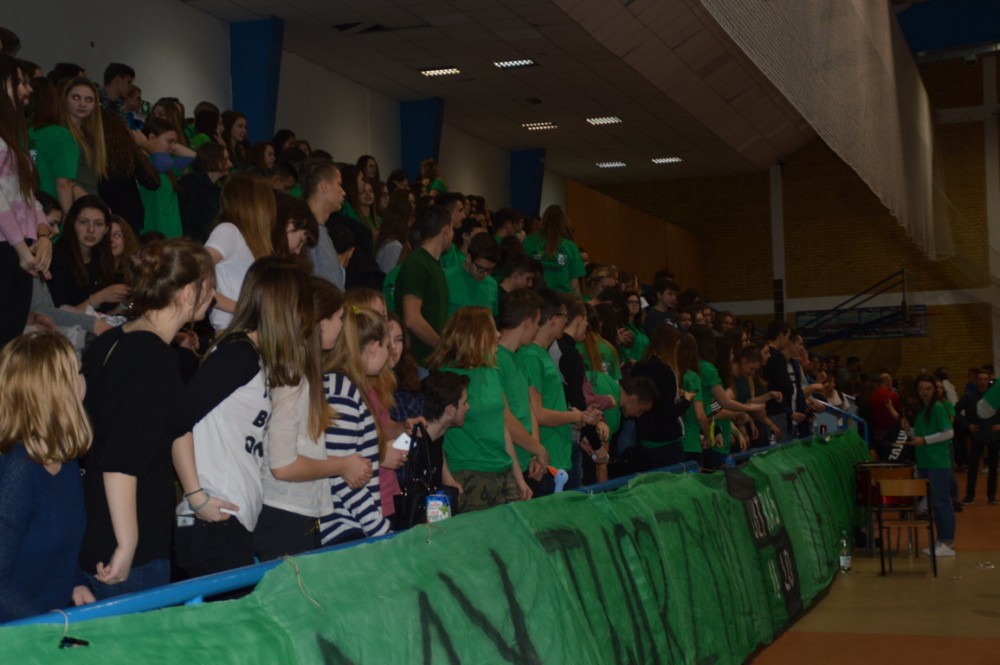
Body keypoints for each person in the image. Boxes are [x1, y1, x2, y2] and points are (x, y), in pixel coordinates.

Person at [80, 239, 229, 599]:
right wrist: (127, 543)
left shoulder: (119, 340)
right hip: (130, 539)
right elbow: (120, 458)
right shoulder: (152, 360)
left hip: (104, 518)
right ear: (189, 292)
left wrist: (196, 496)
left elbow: (176, 425)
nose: (214, 296)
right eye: (211, 287)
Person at [255, 277, 372, 561]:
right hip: (283, 515)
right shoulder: (291, 379)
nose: (342, 326)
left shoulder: (299, 375)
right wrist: (342, 465)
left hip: (297, 513)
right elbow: (282, 465)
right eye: (339, 318)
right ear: (320, 322)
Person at [0, 331, 95, 620]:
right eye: (78, 371)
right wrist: (47, 625)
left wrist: (76, 582)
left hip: (49, 621)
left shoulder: (64, 459)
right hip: (19, 631)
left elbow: (57, 546)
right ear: (58, 390)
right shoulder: (17, 470)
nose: (84, 379)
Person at [426, 307, 531, 511]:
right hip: (469, 475)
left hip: (503, 472)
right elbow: (434, 435)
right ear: (475, 335)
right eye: (492, 329)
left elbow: (501, 427)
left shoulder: (491, 372)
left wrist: (518, 477)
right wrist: (447, 478)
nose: (498, 334)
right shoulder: (447, 378)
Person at [319, 306, 393, 545]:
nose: (389, 355)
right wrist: (379, 528)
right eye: (387, 346)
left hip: (352, 523)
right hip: (344, 526)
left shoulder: (343, 387)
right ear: (373, 347)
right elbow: (340, 473)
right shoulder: (342, 390)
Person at [518, 289, 598, 495]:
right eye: (564, 317)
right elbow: (538, 413)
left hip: (559, 452)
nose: (566, 322)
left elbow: (551, 404)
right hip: (547, 456)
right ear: (552, 319)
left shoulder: (543, 354)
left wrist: (576, 416)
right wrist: (577, 416)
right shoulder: (531, 356)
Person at [1, 55, 52, 347]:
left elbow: (27, 196)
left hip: (17, 251)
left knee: (11, 340)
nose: (28, 89)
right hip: (8, 250)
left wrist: (43, 235)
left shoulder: (11, 137)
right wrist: (22, 250)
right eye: (20, 82)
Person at [496, 289, 551, 492]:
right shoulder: (495, 359)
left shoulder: (520, 359)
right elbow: (503, 416)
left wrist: (534, 452)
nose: (538, 328)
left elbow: (529, 410)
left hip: (526, 459)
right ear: (527, 322)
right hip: (505, 463)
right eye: (537, 322)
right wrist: (538, 450)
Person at [205, 172, 274, 331]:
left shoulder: (244, 238)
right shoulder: (228, 231)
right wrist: (242, 309)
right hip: (232, 330)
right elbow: (194, 269)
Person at [903, 374, 957, 557]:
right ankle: (941, 541)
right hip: (925, 461)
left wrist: (924, 440)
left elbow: (948, 433)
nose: (924, 392)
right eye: (921, 389)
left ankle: (947, 542)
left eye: (928, 389)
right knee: (935, 503)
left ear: (934, 390)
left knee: (942, 502)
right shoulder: (922, 410)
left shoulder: (938, 407)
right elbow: (920, 434)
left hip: (937, 462)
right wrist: (908, 430)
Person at [46, 195, 128, 313]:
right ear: (72, 224)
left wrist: (124, 306)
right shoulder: (57, 258)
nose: (91, 230)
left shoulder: (102, 258)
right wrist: (99, 298)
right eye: (83, 222)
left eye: (98, 224)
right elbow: (59, 316)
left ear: (106, 230)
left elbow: (104, 314)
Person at [395, 205, 452, 369]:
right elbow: (411, 319)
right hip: (418, 362)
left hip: (429, 361)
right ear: (446, 230)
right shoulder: (417, 264)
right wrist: (441, 347)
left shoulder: (432, 264)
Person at [631, 325, 693, 470]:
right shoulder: (666, 373)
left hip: (644, 439)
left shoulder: (638, 368)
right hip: (666, 444)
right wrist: (686, 401)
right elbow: (668, 411)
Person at [135, 117, 197, 238]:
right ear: (152, 137)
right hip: (153, 232)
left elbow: (192, 156)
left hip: (171, 231)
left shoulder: (167, 166)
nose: (173, 147)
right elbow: (163, 162)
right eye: (169, 141)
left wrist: (168, 144)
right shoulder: (147, 164)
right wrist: (145, 143)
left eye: (175, 143)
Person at [299, 157, 345, 289]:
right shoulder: (305, 232)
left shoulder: (320, 231)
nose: (343, 192)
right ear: (324, 185)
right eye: (339, 184)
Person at [957, 369, 999, 505]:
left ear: (989, 380)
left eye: (985, 379)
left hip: (993, 435)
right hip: (977, 435)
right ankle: (969, 496)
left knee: (993, 467)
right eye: (980, 379)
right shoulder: (969, 397)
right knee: (973, 466)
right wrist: (968, 425)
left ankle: (991, 496)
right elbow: (955, 411)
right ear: (976, 381)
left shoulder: (995, 396)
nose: (982, 382)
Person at [59, 77, 107, 198]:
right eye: (76, 98)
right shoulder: (59, 132)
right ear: (65, 99)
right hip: (70, 201)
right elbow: (61, 178)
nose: (82, 104)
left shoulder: (90, 135)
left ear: (95, 105)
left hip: (89, 200)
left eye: (89, 99)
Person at [521, 204, 585, 294]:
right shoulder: (570, 246)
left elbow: (522, 271)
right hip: (562, 298)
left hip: (535, 296)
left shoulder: (529, 241)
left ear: (544, 221)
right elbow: (575, 285)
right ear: (564, 223)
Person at [179, 143, 231, 242]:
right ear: (213, 159)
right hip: (194, 242)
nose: (230, 164)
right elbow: (187, 216)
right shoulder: (193, 181)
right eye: (226, 159)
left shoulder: (215, 188)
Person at [445, 232, 500, 316]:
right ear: (469, 258)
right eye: (480, 268)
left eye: (489, 270)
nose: (485, 274)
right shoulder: (446, 277)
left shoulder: (492, 285)